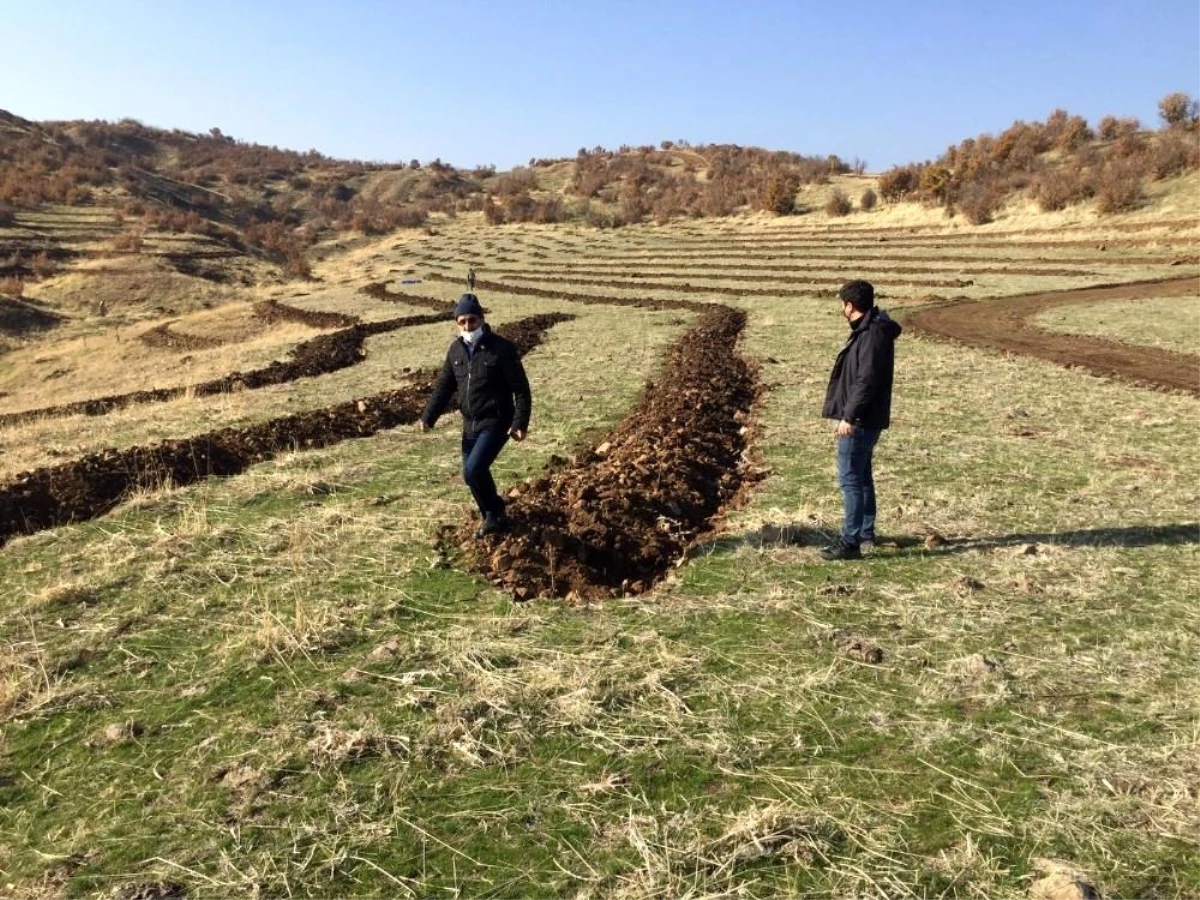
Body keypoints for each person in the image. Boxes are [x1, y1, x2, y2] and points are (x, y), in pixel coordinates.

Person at [419, 293, 530, 537]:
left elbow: (521, 389)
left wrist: (520, 422)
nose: (468, 327)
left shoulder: (501, 349)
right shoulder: (455, 351)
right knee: (473, 475)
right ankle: (493, 517)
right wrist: (429, 417)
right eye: (462, 322)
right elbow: (444, 386)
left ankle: (495, 511)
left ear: (481, 320)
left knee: (473, 470)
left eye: (472, 321)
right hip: (469, 423)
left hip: (496, 420)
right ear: (457, 324)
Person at [820, 280, 902, 560]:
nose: (841, 309)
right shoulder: (871, 330)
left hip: (861, 420)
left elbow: (865, 381)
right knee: (863, 476)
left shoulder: (871, 335)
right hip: (867, 418)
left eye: (842, 304)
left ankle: (850, 541)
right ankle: (865, 532)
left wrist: (849, 416)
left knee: (850, 480)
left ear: (850, 306)